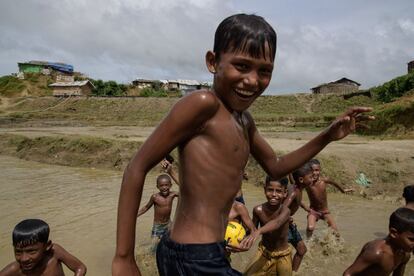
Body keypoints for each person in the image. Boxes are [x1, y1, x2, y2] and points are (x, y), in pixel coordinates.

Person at [112, 13, 373, 276]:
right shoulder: (203, 104)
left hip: (209, 251)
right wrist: (123, 257)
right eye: (241, 66)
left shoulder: (244, 121)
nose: (252, 80)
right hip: (192, 256)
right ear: (213, 62)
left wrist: (327, 135)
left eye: (264, 71)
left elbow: (277, 166)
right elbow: (137, 167)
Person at [0, 219, 86, 276]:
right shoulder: (15, 269)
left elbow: (80, 267)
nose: (24, 259)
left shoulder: (54, 253)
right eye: (18, 252)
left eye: (31, 251)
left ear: (47, 246)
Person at [343, 207, 414, 276]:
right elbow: (348, 273)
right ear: (394, 233)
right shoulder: (377, 253)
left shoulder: (404, 255)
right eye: (411, 239)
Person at [244, 176, 291, 275]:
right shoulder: (258, 210)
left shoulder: (285, 211)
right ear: (265, 189)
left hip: (283, 255)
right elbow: (252, 231)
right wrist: (241, 239)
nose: (274, 194)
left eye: (278, 191)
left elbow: (277, 223)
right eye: (270, 190)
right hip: (264, 252)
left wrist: (259, 231)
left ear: (285, 193)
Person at [303, 158, 354, 238]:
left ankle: (338, 248)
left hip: (325, 212)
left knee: (336, 234)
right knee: (310, 228)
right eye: (312, 170)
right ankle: (307, 242)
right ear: (308, 171)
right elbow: (296, 185)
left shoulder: (324, 181)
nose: (314, 173)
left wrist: (343, 190)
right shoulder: (307, 183)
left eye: (317, 170)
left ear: (320, 170)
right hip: (313, 211)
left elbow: (334, 183)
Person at [283, 164, 315, 272]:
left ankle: (292, 273)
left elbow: (297, 200)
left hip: (288, 224)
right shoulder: (294, 192)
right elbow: (283, 208)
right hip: (283, 225)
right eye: (310, 177)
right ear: (301, 179)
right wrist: (287, 218)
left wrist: (305, 207)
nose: (313, 179)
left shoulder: (298, 188)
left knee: (301, 250)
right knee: (281, 254)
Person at [137, 174, 178, 251]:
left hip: (168, 224)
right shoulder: (155, 197)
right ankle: (149, 259)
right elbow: (146, 208)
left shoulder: (173, 195)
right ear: (157, 187)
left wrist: (172, 173)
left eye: (166, 185)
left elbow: (185, 191)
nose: (164, 187)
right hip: (158, 226)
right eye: (161, 185)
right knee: (153, 247)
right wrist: (135, 216)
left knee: (171, 244)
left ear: (170, 185)